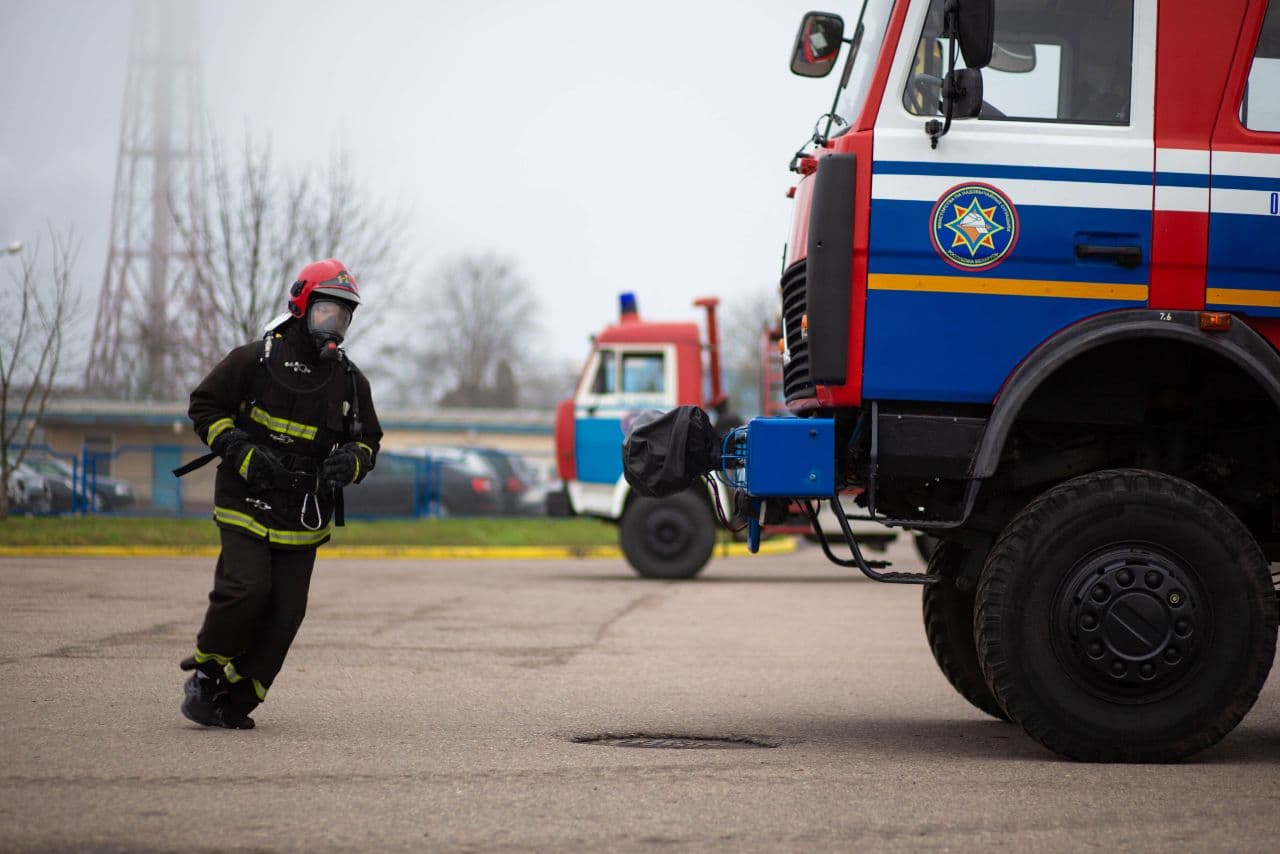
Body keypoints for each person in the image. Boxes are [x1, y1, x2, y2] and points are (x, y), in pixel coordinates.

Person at [177, 259, 382, 729]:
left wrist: (351, 462)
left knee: (287, 612)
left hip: (303, 513)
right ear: (302, 305)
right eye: (328, 312)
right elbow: (204, 406)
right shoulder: (253, 360)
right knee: (247, 588)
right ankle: (206, 674)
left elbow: (368, 441)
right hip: (245, 496)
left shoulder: (350, 381)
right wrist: (236, 448)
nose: (336, 325)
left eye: (344, 317)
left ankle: (237, 696)